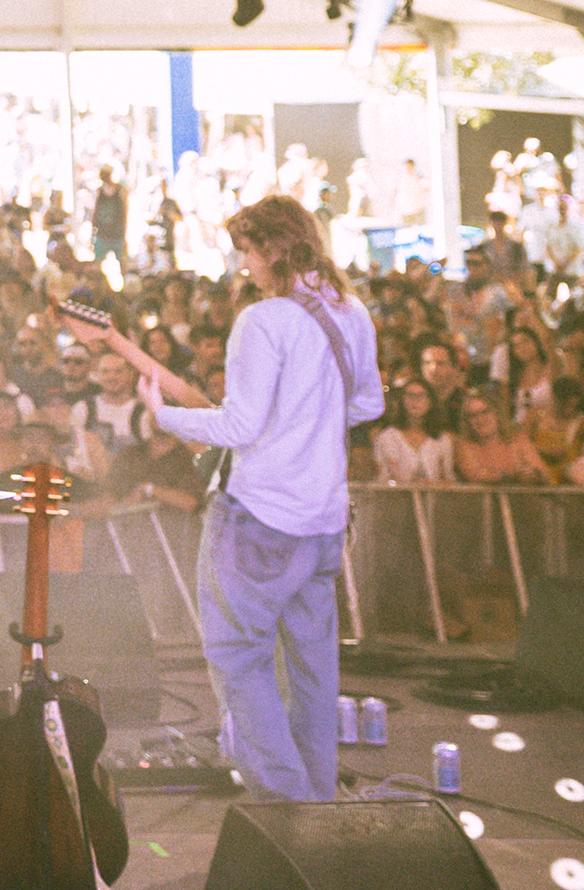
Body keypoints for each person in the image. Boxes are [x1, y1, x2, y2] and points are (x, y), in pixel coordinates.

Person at [75, 192, 377, 806]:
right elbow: (367, 405)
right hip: (322, 522)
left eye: (245, 250)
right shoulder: (351, 313)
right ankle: (317, 799)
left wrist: (163, 416)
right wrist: (307, 422)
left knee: (239, 661)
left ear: (272, 247)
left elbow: (237, 428)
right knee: (313, 674)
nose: (242, 265)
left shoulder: (264, 320)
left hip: (259, 519)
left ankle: (290, 803)